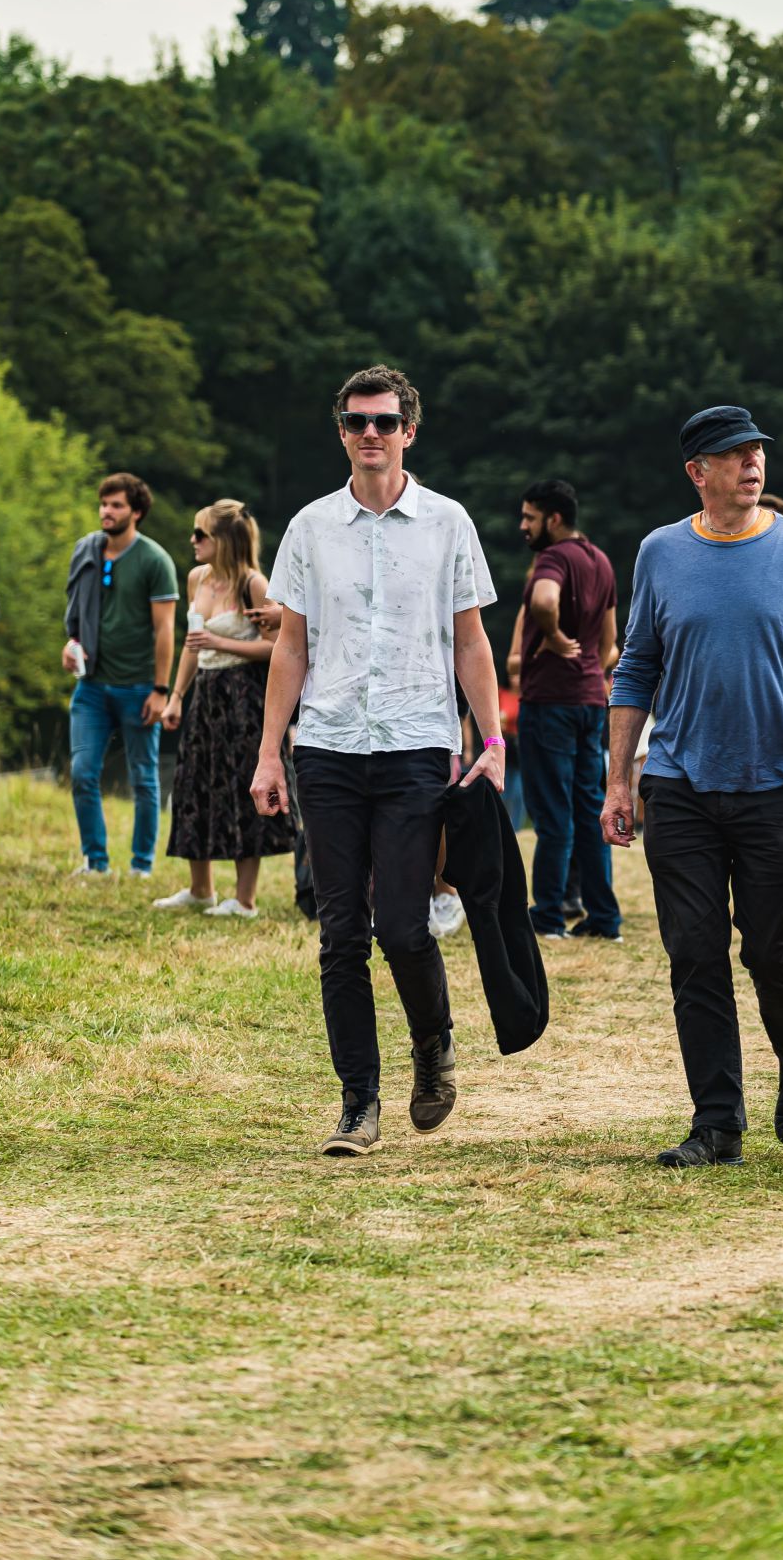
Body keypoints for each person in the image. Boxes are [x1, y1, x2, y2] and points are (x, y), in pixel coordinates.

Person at [603, 404, 783, 1169]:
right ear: (699, 472)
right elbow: (636, 669)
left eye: (757, 450)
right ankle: (717, 1121)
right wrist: (619, 779)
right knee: (693, 953)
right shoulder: (661, 552)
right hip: (680, 783)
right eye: (733, 454)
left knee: (769, 948)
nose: (753, 463)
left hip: (776, 785)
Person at [249, 365, 503, 1159]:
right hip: (327, 745)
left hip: (416, 742)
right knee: (339, 936)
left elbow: (470, 641)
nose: (371, 434)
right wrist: (269, 754)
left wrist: (491, 743)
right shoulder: (309, 529)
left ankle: (433, 1046)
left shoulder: (448, 524)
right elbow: (290, 645)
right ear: (342, 433)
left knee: (402, 924)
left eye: (385, 422)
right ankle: (359, 1103)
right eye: (358, 422)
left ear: (409, 432)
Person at [158, 500, 297, 917]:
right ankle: (200, 888)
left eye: (201, 534)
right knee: (193, 784)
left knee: (240, 787)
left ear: (224, 541)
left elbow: (278, 649)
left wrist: (223, 644)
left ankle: (245, 899)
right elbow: (191, 643)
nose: (193, 541)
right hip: (205, 693)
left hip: (244, 696)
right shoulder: (197, 578)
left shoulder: (253, 584)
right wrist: (176, 696)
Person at [507, 477, 620, 941]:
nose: (523, 526)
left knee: (552, 814)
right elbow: (612, 644)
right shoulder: (600, 560)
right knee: (589, 809)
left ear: (554, 519)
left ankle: (549, 917)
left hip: (550, 703)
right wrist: (590, 667)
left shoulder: (552, 559)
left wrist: (552, 637)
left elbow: (544, 599)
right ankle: (604, 920)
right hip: (591, 701)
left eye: (530, 517)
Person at [62, 474, 178, 880]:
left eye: (116, 506)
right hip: (91, 685)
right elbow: (76, 609)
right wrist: (72, 643)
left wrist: (161, 690)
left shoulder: (154, 560)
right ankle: (96, 862)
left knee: (143, 779)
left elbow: (165, 630)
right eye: (104, 504)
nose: (106, 512)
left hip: (139, 686)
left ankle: (141, 866)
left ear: (137, 512)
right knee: (82, 773)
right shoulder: (87, 551)